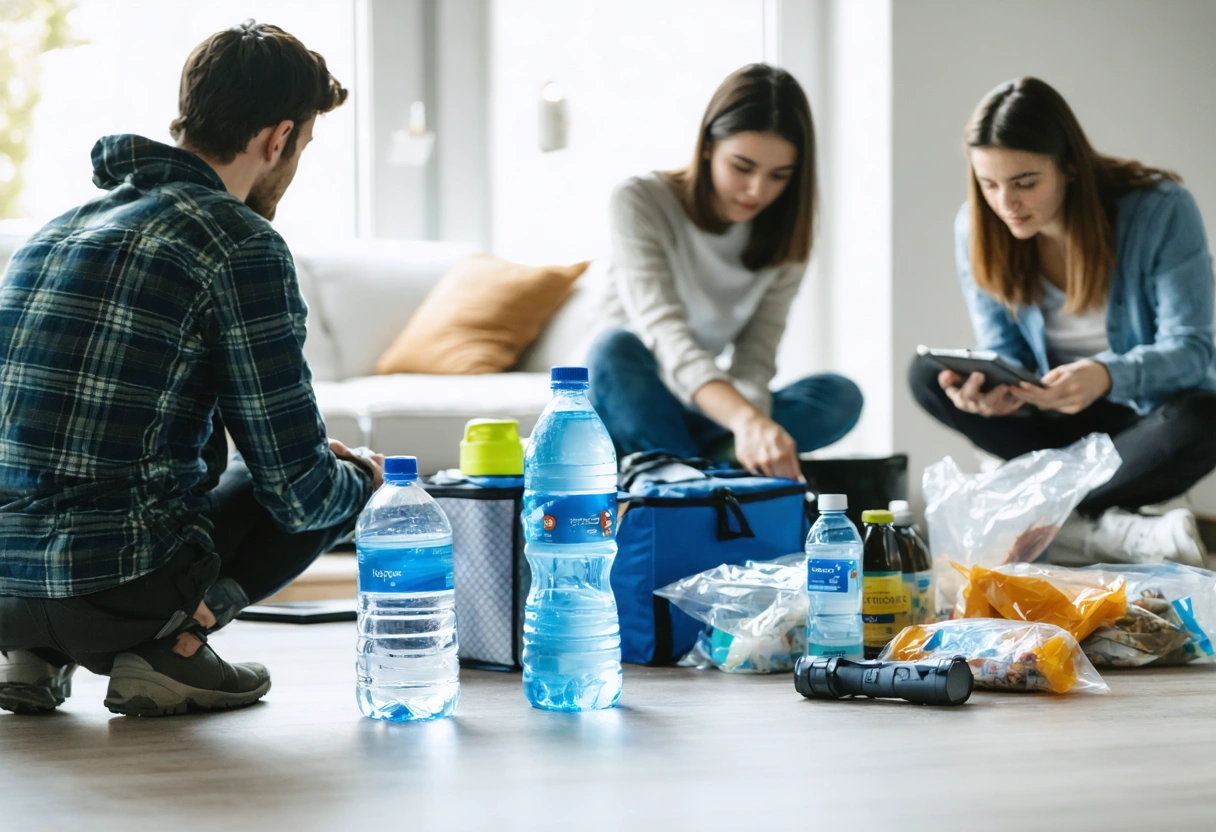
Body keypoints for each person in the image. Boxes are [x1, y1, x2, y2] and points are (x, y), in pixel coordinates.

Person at [0, 21, 384, 717]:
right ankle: (168, 652)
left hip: (5, 589)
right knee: (334, 481)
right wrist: (356, 481)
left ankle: (34, 653)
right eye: (301, 147)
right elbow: (296, 493)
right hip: (119, 591)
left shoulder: (52, 232)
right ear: (278, 140)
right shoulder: (240, 245)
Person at [909, 77, 1216, 566]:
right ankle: (1102, 530)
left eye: (1026, 183)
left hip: (1139, 420)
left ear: (1071, 166)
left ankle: (1027, 509)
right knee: (926, 376)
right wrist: (993, 392)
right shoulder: (976, 226)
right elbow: (1002, 348)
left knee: (1207, 415)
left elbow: (1194, 351)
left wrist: (1106, 375)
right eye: (989, 184)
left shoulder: (1160, 209)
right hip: (1049, 419)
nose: (1006, 203)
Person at [587, 64, 863, 481]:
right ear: (707, 147)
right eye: (742, 167)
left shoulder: (787, 235)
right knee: (612, 346)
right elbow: (667, 338)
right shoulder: (640, 200)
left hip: (707, 409)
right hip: (631, 393)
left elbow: (755, 359)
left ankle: (684, 473)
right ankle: (705, 478)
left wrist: (750, 423)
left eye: (779, 176)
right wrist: (747, 424)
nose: (757, 191)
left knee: (839, 397)